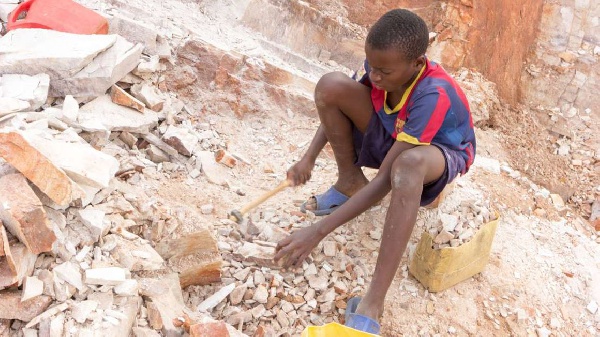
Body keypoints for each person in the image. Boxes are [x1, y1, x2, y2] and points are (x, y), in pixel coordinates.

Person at [274, 8, 476, 324]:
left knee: (407, 168)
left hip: (438, 152)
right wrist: (308, 158)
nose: (375, 76)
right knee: (331, 84)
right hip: (397, 129)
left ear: (417, 63)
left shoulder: (434, 94)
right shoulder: (382, 65)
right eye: (372, 66)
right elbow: (339, 100)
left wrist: (318, 232)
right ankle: (348, 183)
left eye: (383, 71)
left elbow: (384, 181)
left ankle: (373, 303)